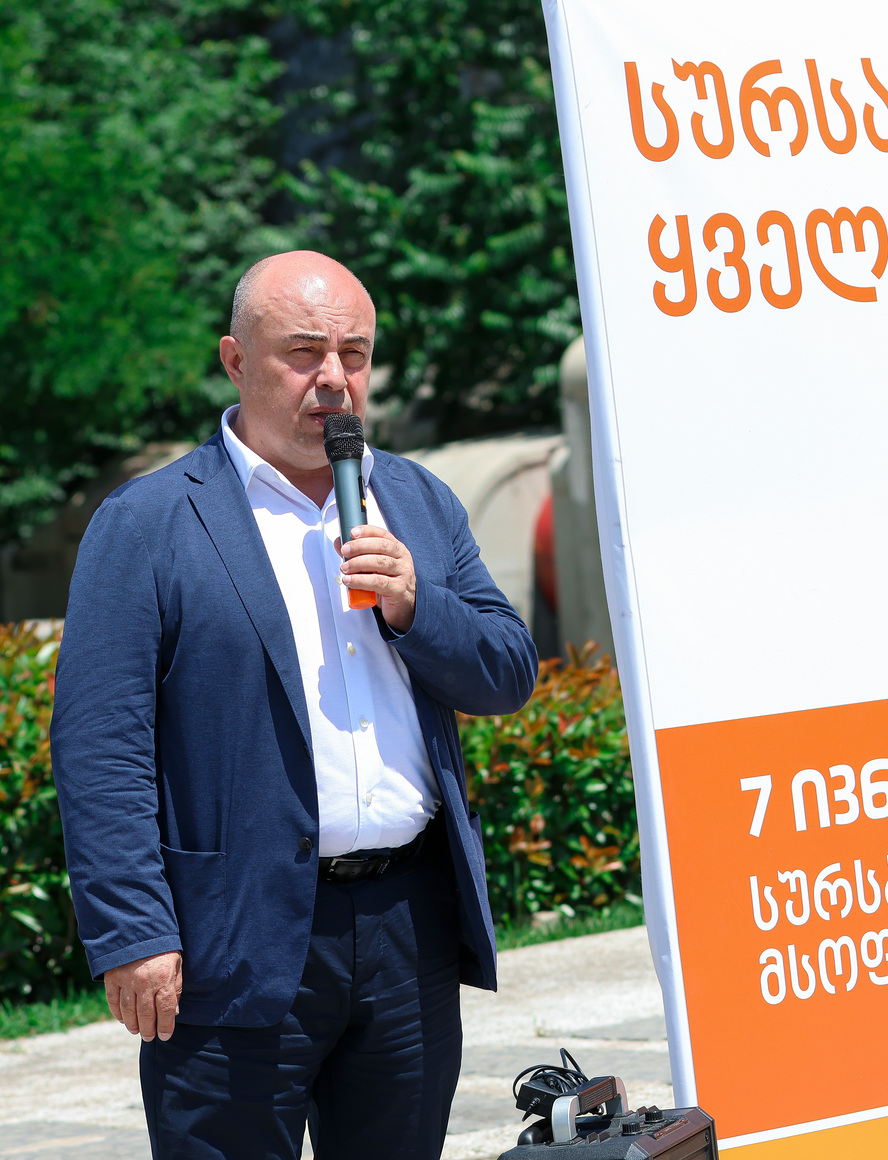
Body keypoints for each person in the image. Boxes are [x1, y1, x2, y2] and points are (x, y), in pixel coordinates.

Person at [51, 251, 539, 1158]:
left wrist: (416, 606)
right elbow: (99, 746)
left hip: (408, 929)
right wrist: (132, 933)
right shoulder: (149, 522)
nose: (334, 380)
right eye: (304, 353)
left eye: (355, 355)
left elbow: (508, 672)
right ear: (236, 361)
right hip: (231, 938)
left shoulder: (417, 501)